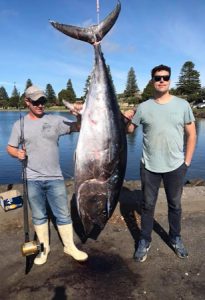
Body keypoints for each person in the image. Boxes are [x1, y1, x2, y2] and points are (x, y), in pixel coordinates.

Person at [7, 85, 88, 265]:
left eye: (43, 101)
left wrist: (79, 115)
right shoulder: (19, 124)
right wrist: (17, 153)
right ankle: (43, 249)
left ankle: (70, 246)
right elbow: (10, 148)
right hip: (32, 178)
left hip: (55, 177)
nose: (40, 104)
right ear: (27, 102)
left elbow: (79, 127)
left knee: (63, 214)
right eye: (36, 101)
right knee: (39, 216)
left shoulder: (55, 120)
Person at [125, 64, 196, 262]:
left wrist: (187, 162)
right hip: (149, 166)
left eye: (165, 77)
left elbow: (191, 134)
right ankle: (144, 240)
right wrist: (127, 118)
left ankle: (175, 238)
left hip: (176, 166)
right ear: (152, 81)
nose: (162, 80)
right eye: (158, 78)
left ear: (170, 80)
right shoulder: (144, 107)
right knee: (148, 205)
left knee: (175, 205)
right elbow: (129, 131)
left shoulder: (182, 105)